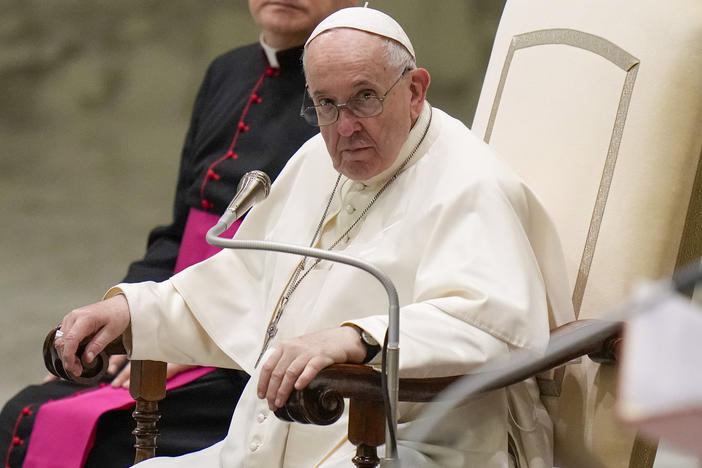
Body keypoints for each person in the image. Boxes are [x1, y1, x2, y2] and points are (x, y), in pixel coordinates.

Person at [54, 6, 574, 468]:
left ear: (414, 90)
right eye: (326, 104)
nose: (344, 127)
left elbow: (493, 323)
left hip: (409, 443)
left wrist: (357, 338)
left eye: (365, 98)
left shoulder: (470, 182)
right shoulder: (314, 161)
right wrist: (135, 311)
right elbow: (245, 283)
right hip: (284, 436)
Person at [0, 1, 357, 467]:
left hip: (248, 354)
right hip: (172, 309)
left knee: (106, 440)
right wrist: (123, 312)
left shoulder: (348, 101)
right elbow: (178, 230)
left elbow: (329, 266)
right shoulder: (227, 71)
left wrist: (184, 338)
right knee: (23, 413)